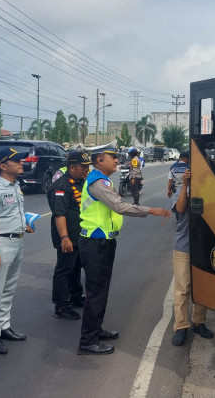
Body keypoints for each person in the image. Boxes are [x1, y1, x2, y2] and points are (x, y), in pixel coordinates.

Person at [77, 144, 171, 355]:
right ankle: (87, 341)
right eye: (112, 156)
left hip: (102, 243)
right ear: (99, 159)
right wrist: (150, 210)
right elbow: (120, 206)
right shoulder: (98, 182)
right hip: (95, 244)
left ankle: (96, 331)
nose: (116, 160)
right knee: (95, 293)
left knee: (101, 291)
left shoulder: (102, 179)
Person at [0, 147, 34, 355]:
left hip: (17, 241)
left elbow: (10, 214)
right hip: (0, 244)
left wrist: (23, 225)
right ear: (3, 166)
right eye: (17, 161)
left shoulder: (15, 186)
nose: (22, 162)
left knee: (8, 288)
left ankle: (3, 326)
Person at [171, 168, 214, 346]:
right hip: (184, 247)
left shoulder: (210, 192)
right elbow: (180, 208)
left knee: (203, 287)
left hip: (204, 246)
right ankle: (181, 326)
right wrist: (186, 186)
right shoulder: (181, 191)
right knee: (182, 288)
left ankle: (199, 322)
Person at [47, 150, 91, 321]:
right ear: (72, 167)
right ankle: (61, 305)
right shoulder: (61, 186)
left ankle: (75, 297)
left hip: (78, 234)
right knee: (64, 270)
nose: (86, 170)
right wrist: (65, 238)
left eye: (88, 167)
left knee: (74, 268)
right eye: (83, 167)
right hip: (67, 236)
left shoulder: (79, 182)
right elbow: (59, 214)